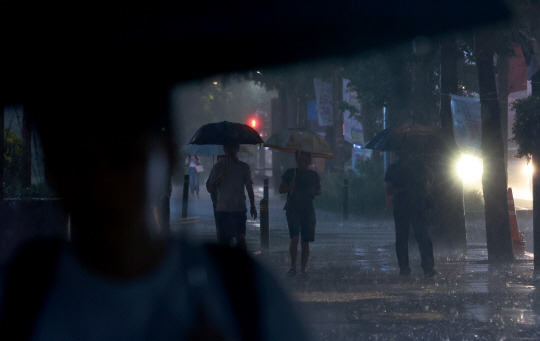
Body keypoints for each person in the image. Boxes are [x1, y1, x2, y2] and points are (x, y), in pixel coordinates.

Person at [0, 71, 309, 341]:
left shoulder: (242, 293)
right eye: (77, 162)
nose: (102, 183)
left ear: (167, 156)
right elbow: (213, 186)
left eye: (124, 158)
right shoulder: (18, 298)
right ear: (53, 168)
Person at [384, 151, 437, 278]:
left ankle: (408, 270)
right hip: (413, 207)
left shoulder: (395, 169)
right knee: (419, 238)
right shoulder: (420, 168)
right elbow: (429, 184)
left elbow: (389, 190)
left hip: (407, 208)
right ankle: (424, 269)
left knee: (410, 239)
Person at [206, 144, 257, 250]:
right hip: (223, 208)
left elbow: (249, 187)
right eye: (228, 147)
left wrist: (253, 206)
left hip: (239, 208)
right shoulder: (218, 167)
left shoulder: (243, 167)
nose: (230, 150)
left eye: (233, 147)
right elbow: (210, 188)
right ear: (224, 149)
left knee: (241, 238)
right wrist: (221, 176)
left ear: (237, 148)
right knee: (224, 240)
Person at [279, 151, 321, 280]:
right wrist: (290, 187)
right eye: (300, 159)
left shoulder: (313, 175)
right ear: (296, 160)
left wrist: (314, 191)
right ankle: (293, 267)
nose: (302, 162)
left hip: (307, 210)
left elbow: (318, 191)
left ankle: (303, 269)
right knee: (294, 238)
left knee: (305, 241)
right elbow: (281, 189)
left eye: (305, 159)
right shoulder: (291, 173)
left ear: (309, 161)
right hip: (293, 209)